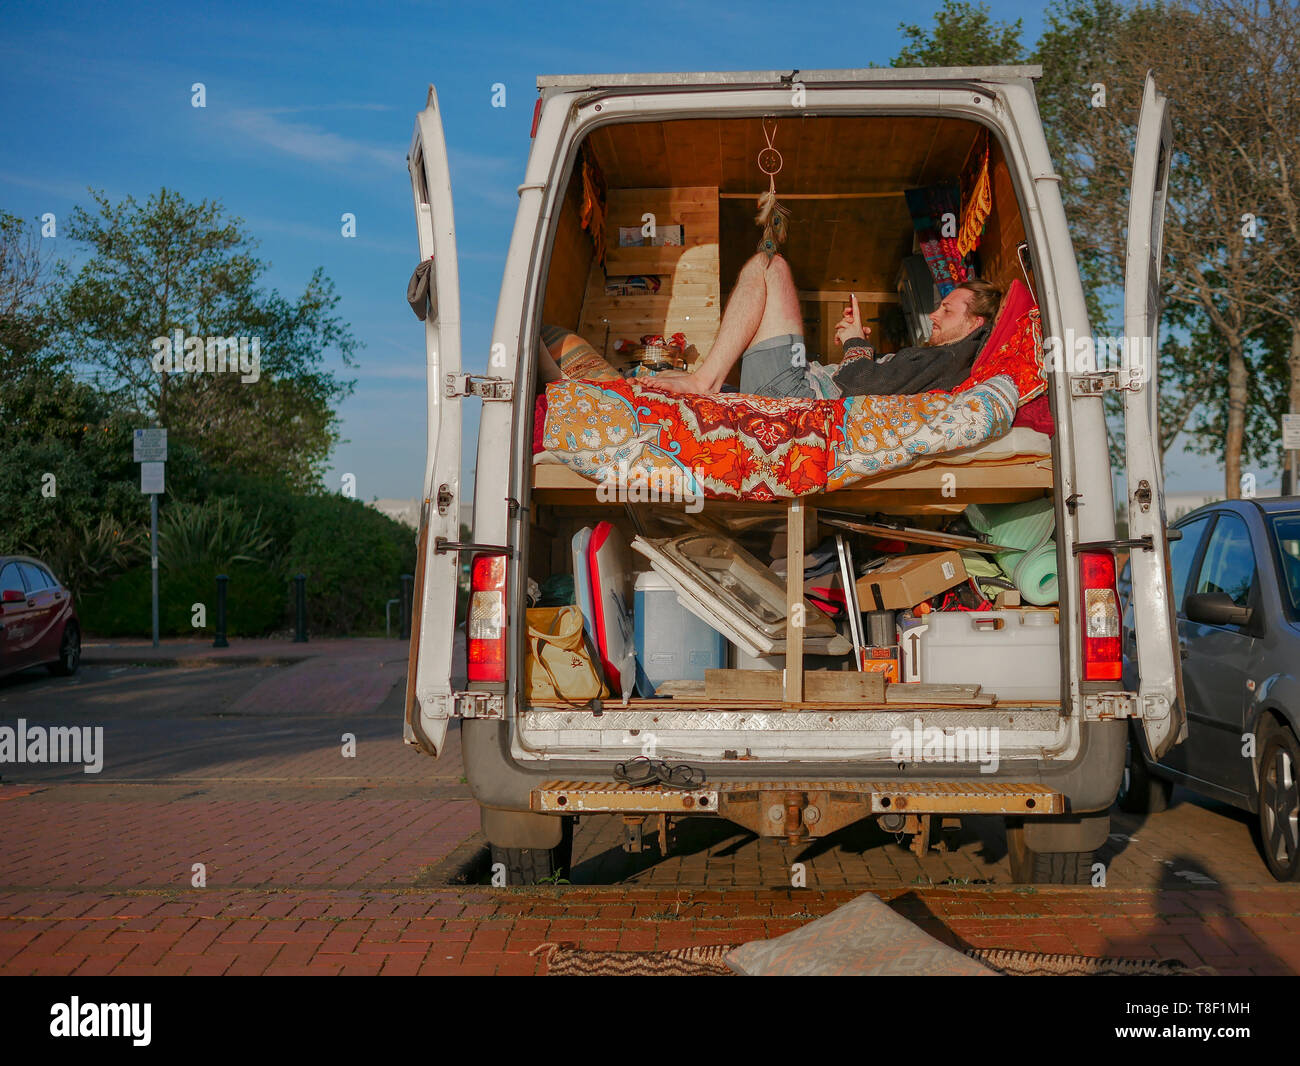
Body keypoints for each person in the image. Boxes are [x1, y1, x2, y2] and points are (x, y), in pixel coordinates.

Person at [651, 252, 1001, 399]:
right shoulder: (940, 361)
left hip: (794, 396)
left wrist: (854, 344)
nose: (935, 315)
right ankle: (702, 381)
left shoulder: (947, 361)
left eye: (947, 310)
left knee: (768, 265)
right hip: (798, 386)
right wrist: (862, 348)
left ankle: (703, 380)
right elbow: (874, 382)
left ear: (975, 323)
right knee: (659, 381)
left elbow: (858, 382)